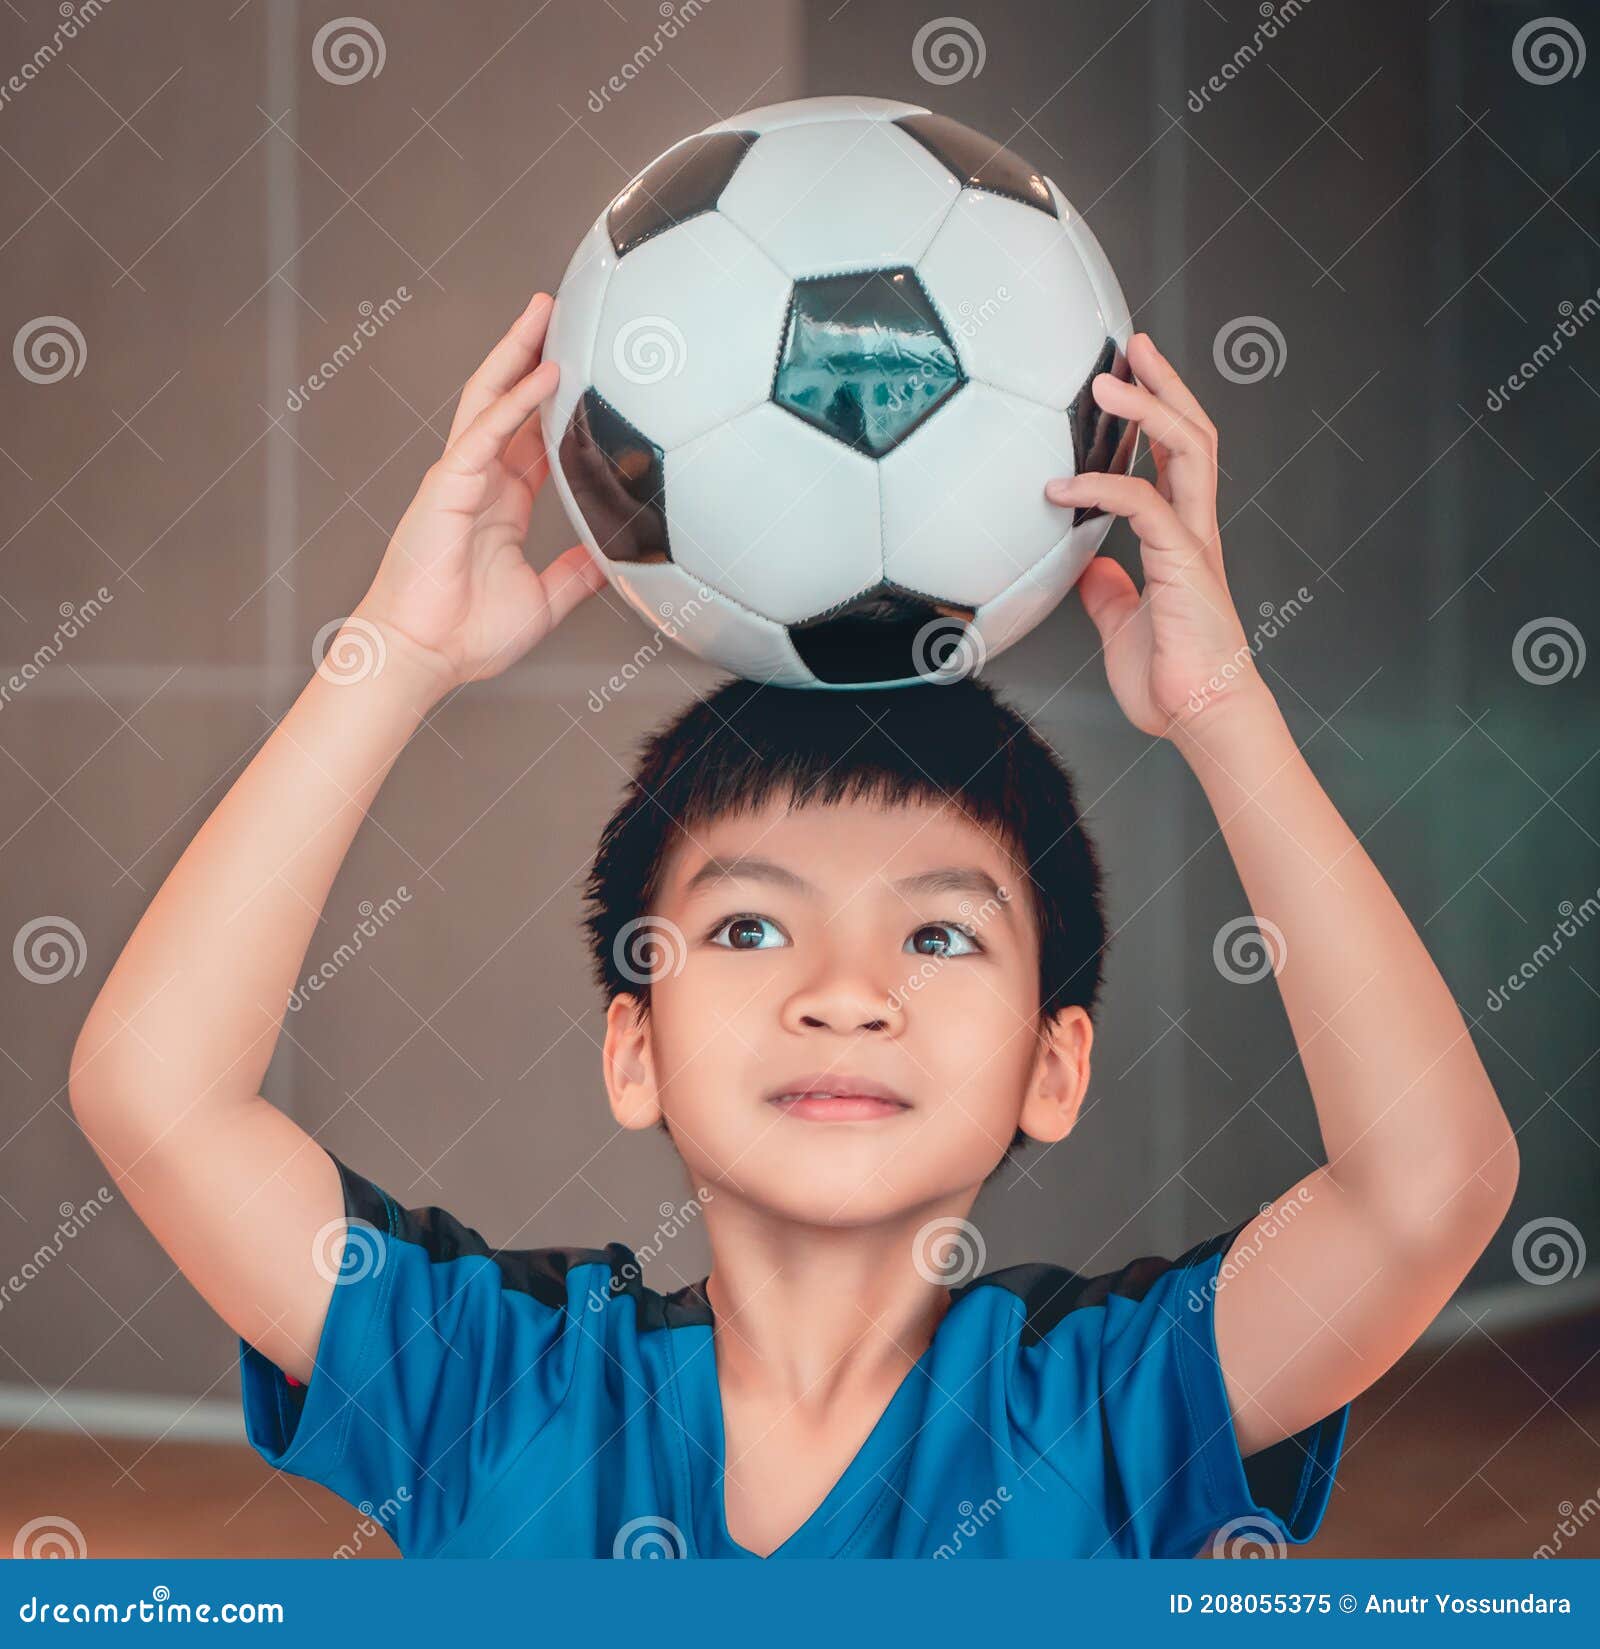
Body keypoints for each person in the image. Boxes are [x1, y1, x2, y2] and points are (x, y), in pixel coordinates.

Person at [68, 294, 1519, 1558]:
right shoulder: (497, 1392)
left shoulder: (1110, 1408)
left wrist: (1224, 715)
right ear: (631, 1043)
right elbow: (157, 1093)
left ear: (1053, 1065)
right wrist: (390, 655)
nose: (845, 992)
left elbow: (1428, 1184)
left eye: (940, 937)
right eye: (754, 930)